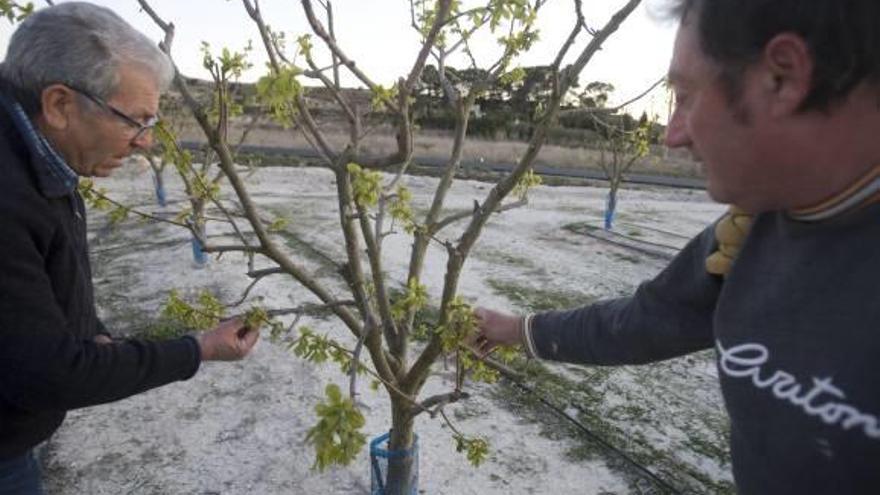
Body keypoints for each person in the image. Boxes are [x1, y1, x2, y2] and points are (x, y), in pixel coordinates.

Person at [476, 0, 880, 493]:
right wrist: (518, 330)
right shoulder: (751, 230)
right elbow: (647, 321)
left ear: (783, 77)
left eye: (684, 97)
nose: (672, 135)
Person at [0, 3, 260, 494]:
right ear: (60, 104)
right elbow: (45, 375)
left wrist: (87, 331)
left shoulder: (33, 146)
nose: (145, 142)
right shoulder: (7, 193)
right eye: (135, 121)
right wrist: (198, 349)